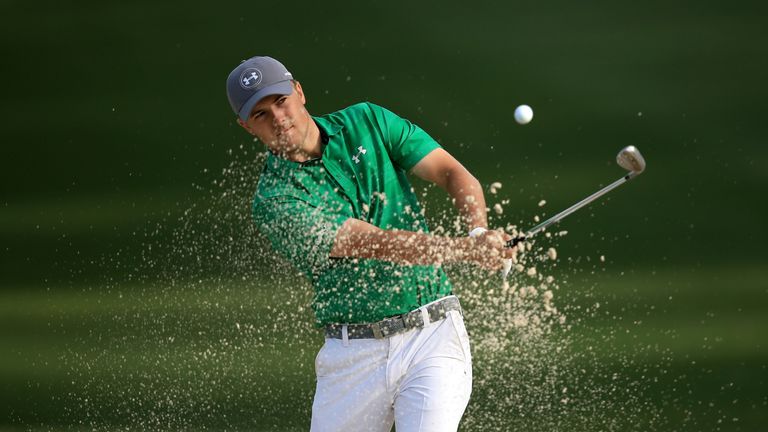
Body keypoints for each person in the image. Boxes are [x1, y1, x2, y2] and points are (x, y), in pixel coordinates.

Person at [226, 56, 516, 432]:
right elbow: (377, 244)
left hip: (432, 335)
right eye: (261, 114)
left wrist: (478, 232)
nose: (279, 119)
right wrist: (466, 250)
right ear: (247, 127)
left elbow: (450, 172)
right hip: (352, 358)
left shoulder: (367, 121)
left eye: (280, 101)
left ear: (299, 92)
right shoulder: (275, 200)